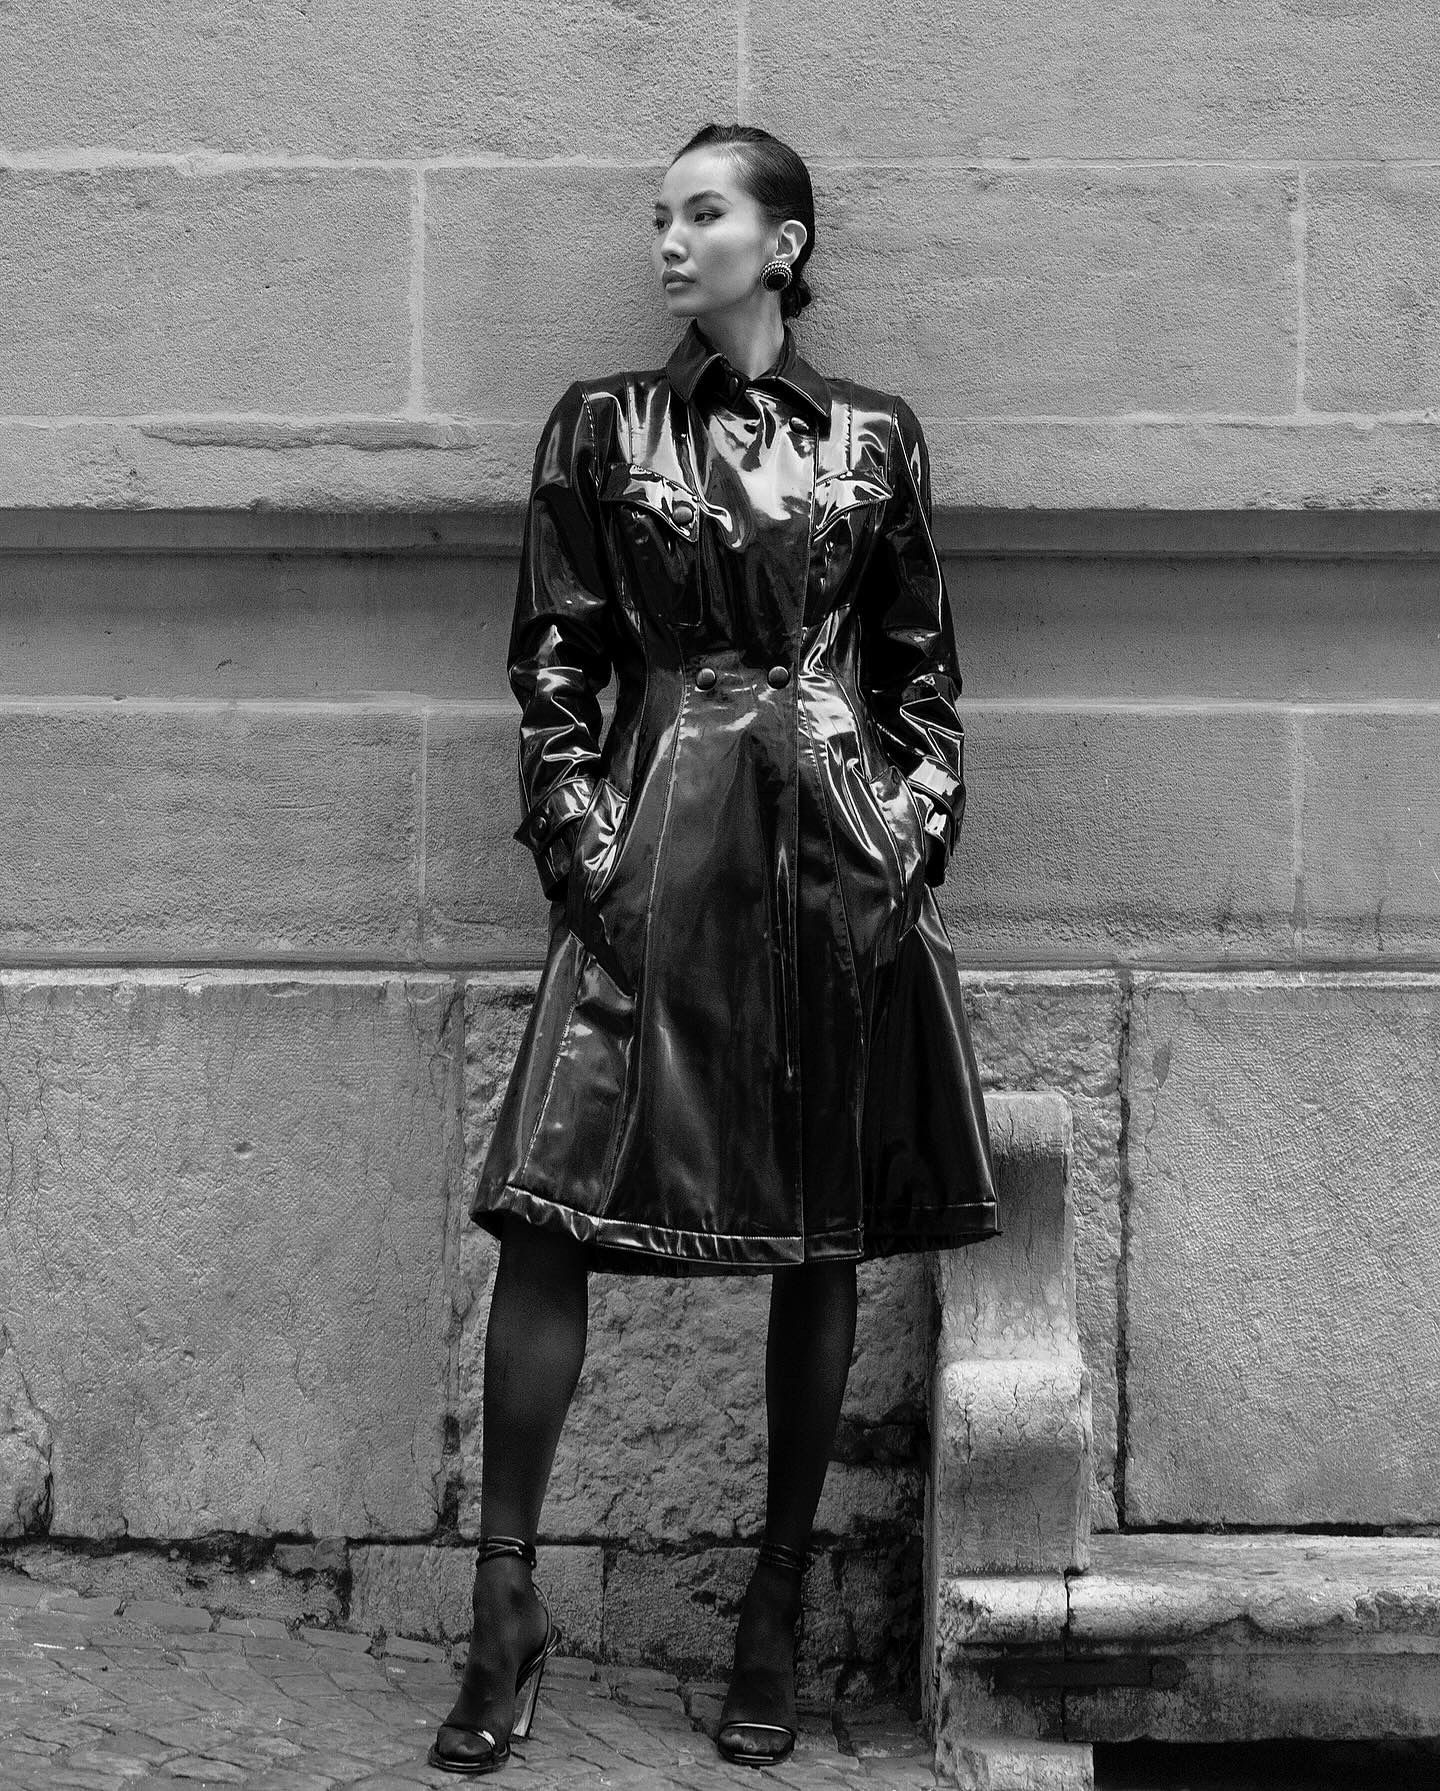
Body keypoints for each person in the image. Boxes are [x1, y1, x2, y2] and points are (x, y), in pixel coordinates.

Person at [427, 121, 999, 1777]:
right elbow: (555, 662)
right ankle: (504, 1604)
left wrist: (906, 845)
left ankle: (773, 1603)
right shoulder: (604, 426)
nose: (669, 242)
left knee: (818, 1231)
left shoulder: (877, 440)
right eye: (659, 217)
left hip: (831, 859)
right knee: (545, 1205)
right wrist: (584, 848)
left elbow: (922, 683)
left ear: (785, 242)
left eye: (703, 213)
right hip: (650, 843)